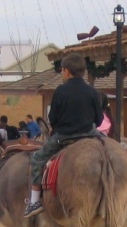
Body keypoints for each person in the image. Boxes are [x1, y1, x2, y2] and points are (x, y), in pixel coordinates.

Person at [24, 53, 103, 217]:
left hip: (64, 137)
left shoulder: (61, 91)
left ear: (66, 71)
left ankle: (34, 202)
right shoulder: (93, 92)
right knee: (112, 150)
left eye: (62, 71)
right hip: (90, 135)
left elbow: (52, 118)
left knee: (37, 159)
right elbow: (99, 120)